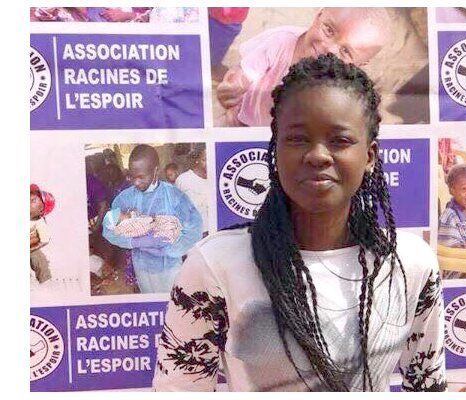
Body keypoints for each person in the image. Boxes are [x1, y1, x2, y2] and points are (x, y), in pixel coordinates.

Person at [153, 54, 446, 392]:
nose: (318, 155)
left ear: (369, 156)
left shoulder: (410, 263)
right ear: (275, 150)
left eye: (339, 140)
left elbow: (427, 386)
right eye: (297, 138)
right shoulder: (215, 265)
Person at [215, 7, 392, 127]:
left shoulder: (346, 84)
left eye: (345, 51)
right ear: (318, 15)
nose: (328, 48)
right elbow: (246, 71)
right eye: (328, 30)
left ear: (360, 65)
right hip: (242, 119)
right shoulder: (280, 41)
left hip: (287, 140)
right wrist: (235, 85)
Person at [102, 144, 202, 293]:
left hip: (169, 267)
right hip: (141, 267)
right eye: (132, 177)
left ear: (155, 171)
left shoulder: (174, 196)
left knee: (172, 301)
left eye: (141, 177)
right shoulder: (125, 198)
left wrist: (168, 250)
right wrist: (134, 242)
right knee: (149, 298)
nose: (136, 182)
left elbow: (195, 229)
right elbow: (109, 229)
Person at [438, 164, 466, 279]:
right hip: (459, 272)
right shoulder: (449, 217)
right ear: (452, 190)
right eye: (464, 188)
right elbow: (452, 253)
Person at [175, 145, 209, 237]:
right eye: (205, 160)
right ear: (197, 160)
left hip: (211, 234)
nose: (209, 163)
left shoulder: (217, 181)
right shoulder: (184, 179)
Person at [30, 184, 55, 284]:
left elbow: (44, 240)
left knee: (39, 259)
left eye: (33, 200)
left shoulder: (39, 222)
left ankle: (46, 281)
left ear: (41, 211)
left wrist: (32, 248)